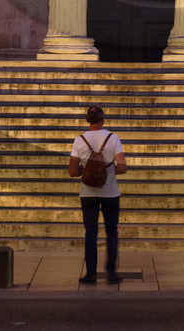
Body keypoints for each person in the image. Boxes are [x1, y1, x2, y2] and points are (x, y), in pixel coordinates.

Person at [68, 105, 127, 285]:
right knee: (111, 232)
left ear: (87, 120)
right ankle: (111, 273)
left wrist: (87, 171)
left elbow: (72, 171)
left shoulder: (79, 140)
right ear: (103, 119)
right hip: (110, 193)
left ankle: (91, 274)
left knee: (90, 233)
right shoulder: (113, 138)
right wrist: (106, 172)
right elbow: (122, 167)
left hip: (88, 193)